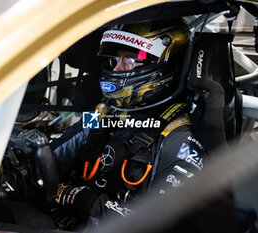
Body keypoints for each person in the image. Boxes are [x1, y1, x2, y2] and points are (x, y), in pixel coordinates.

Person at [50, 18, 206, 230]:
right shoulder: (104, 113)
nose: (117, 69)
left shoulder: (180, 140)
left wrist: (90, 202)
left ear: (160, 67)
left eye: (129, 61)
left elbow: (162, 223)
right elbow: (54, 153)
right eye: (115, 60)